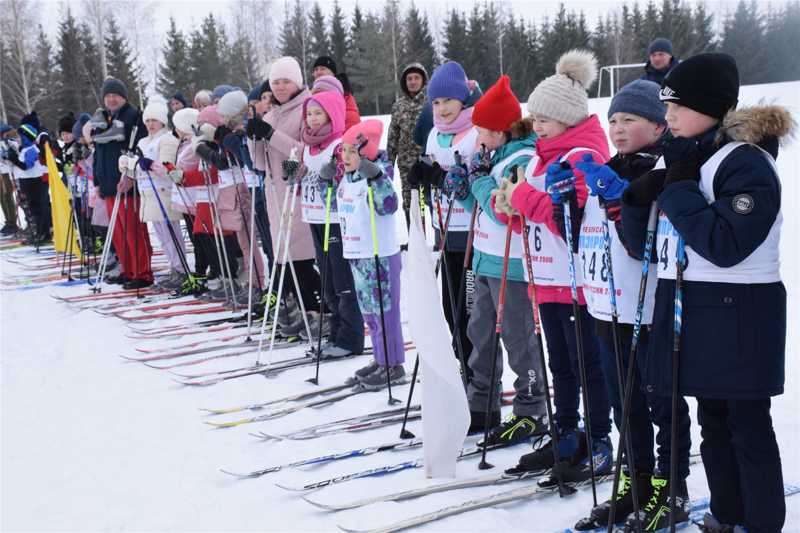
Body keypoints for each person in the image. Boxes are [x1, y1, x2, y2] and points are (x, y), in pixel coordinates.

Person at [621, 52, 792, 533]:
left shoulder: (747, 163)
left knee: (746, 428)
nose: (668, 115)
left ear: (713, 107)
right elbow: (647, 249)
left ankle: (760, 524)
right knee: (713, 425)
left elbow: (726, 243)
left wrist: (676, 190)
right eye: (665, 105)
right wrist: (637, 202)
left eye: (678, 106)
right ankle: (726, 515)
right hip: (697, 307)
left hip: (742, 313)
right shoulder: (690, 159)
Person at [569, 80, 692, 529]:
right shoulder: (610, 165)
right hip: (609, 305)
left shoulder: (663, 166)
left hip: (650, 307)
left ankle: (670, 486)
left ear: (659, 126)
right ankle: (636, 481)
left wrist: (622, 201)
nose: (618, 129)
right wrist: (571, 201)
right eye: (613, 120)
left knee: (661, 399)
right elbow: (588, 234)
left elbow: (645, 244)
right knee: (625, 405)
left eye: (630, 120)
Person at [492, 50, 613, 475]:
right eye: (535, 117)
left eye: (544, 118)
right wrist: (509, 206)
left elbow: (572, 219)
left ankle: (599, 438)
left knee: (587, 365)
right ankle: (565, 432)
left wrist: (523, 197)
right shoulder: (541, 156)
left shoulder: (584, 154)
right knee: (558, 364)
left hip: (579, 283)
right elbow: (529, 212)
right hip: (546, 277)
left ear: (569, 116)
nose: (536, 124)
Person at [443, 75, 549, 445]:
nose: (478, 139)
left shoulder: (521, 160)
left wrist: (477, 182)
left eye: (483, 132)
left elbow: (505, 212)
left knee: (519, 339)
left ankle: (532, 407)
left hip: (514, 265)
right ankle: (482, 403)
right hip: (486, 258)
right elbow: (482, 208)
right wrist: (464, 189)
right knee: (480, 334)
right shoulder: (493, 157)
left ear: (502, 132)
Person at [406, 61, 482, 383]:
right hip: (446, 233)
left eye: (447, 101)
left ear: (462, 98)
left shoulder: (477, 130)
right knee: (451, 313)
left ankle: (478, 379)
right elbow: (432, 169)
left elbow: (476, 183)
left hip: (473, 238)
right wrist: (420, 176)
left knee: (470, 315)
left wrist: (438, 177)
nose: (441, 108)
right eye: (435, 102)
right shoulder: (435, 132)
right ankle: (460, 372)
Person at [247, 56, 323, 323]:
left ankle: (321, 310)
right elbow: (260, 163)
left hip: (298, 191)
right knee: (287, 260)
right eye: (275, 82)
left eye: (286, 81)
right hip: (275, 195)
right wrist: (253, 138)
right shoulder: (271, 114)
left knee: (300, 259)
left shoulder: (308, 108)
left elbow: (304, 153)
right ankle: (307, 310)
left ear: (298, 83)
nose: (279, 87)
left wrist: (269, 134)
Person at [331, 120, 406, 389]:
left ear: (368, 152)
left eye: (353, 151)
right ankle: (380, 358)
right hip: (357, 254)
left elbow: (388, 206)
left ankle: (393, 365)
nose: (347, 157)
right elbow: (336, 206)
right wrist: (324, 179)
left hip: (380, 256)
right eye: (344, 151)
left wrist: (376, 178)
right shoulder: (347, 178)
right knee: (370, 315)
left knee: (385, 314)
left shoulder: (380, 174)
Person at [90, 76, 150, 289]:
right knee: (118, 233)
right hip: (108, 185)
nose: (111, 99)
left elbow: (140, 149)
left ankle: (142, 272)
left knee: (133, 231)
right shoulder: (102, 120)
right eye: (107, 96)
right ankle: (128, 269)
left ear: (123, 96)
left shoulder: (135, 118)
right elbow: (97, 152)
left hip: (127, 184)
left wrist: (132, 175)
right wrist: (97, 181)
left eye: (115, 95)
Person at [125, 98, 186, 290]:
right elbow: (136, 170)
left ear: (163, 121)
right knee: (161, 237)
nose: (150, 124)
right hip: (148, 195)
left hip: (163, 193)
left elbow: (169, 171)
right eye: (147, 120)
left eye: (154, 120)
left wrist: (151, 164)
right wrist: (127, 164)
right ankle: (174, 268)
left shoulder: (167, 139)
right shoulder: (143, 141)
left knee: (171, 234)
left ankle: (181, 270)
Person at [387, 63, 429, 232]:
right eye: (409, 79)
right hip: (406, 165)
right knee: (409, 202)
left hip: (428, 161)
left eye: (416, 78)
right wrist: (388, 164)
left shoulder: (431, 101)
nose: (412, 82)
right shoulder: (399, 106)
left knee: (431, 200)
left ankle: (440, 240)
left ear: (423, 80)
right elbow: (392, 137)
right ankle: (415, 240)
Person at [4, 124, 46, 245]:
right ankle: (39, 233)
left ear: (26, 137)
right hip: (26, 180)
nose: (18, 139)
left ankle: (42, 233)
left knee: (36, 208)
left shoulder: (32, 150)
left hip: (33, 180)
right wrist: (11, 154)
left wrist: (12, 158)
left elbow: (26, 166)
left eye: (19, 137)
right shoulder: (25, 149)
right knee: (32, 207)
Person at [312, 56, 361, 131]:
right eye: (316, 69)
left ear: (333, 72)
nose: (318, 72)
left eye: (323, 68)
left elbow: (352, 128)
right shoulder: (311, 99)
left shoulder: (344, 97)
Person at [0, 125, 19, 236]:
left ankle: (13, 222)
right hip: (2, 172)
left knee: (7, 196)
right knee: (2, 198)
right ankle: (9, 221)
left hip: (8, 171)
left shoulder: (10, 141)